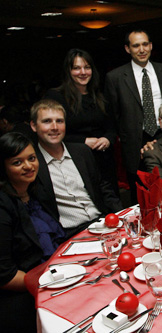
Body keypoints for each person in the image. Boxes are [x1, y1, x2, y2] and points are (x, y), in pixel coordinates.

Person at [0, 132, 65, 331]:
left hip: (55, 276)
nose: (29, 166)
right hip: (23, 295)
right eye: (17, 162)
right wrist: (51, 285)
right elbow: (5, 275)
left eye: (32, 158)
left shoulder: (36, 190)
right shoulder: (3, 206)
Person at [30, 99, 123, 238]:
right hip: (69, 234)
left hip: (103, 224)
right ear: (33, 126)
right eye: (47, 121)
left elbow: (103, 188)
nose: (54, 127)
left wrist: (123, 215)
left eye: (60, 121)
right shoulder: (33, 163)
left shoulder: (82, 152)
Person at [105, 29, 162, 203]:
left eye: (145, 44)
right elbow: (113, 114)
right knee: (141, 197)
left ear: (151, 46)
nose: (141, 49)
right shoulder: (115, 77)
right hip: (135, 142)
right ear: (128, 49)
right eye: (136, 45)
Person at [45, 49, 119, 194]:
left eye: (87, 67)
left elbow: (111, 127)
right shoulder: (56, 97)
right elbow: (50, 133)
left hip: (103, 160)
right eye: (77, 68)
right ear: (69, 71)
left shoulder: (100, 97)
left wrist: (107, 139)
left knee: (110, 202)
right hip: (74, 160)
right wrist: (83, 141)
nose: (83, 72)